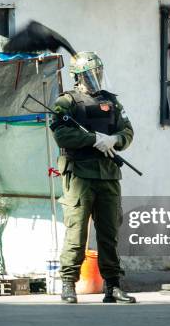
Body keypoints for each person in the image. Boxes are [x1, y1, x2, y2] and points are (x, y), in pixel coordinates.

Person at [50, 51, 136, 304]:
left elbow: (127, 131)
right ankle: (68, 283)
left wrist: (115, 140)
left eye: (97, 72)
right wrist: (92, 139)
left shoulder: (111, 102)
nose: (94, 77)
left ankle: (113, 286)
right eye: (88, 74)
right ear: (77, 77)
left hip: (108, 174)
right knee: (76, 231)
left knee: (109, 231)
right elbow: (62, 135)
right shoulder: (66, 103)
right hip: (79, 174)